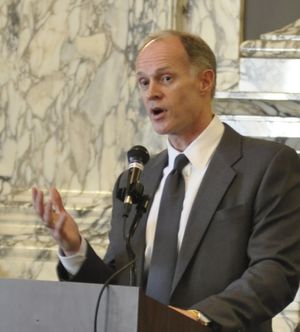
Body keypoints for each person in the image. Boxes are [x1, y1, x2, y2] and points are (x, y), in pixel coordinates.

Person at [32, 30, 300, 332]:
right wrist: (75, 249)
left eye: (166, 78)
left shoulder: (268, 164)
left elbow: (275, 272)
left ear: (205, 81)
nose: (151, 93)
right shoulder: (135, 180)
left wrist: (198, 319)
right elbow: (117, 287)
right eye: (144, 82)